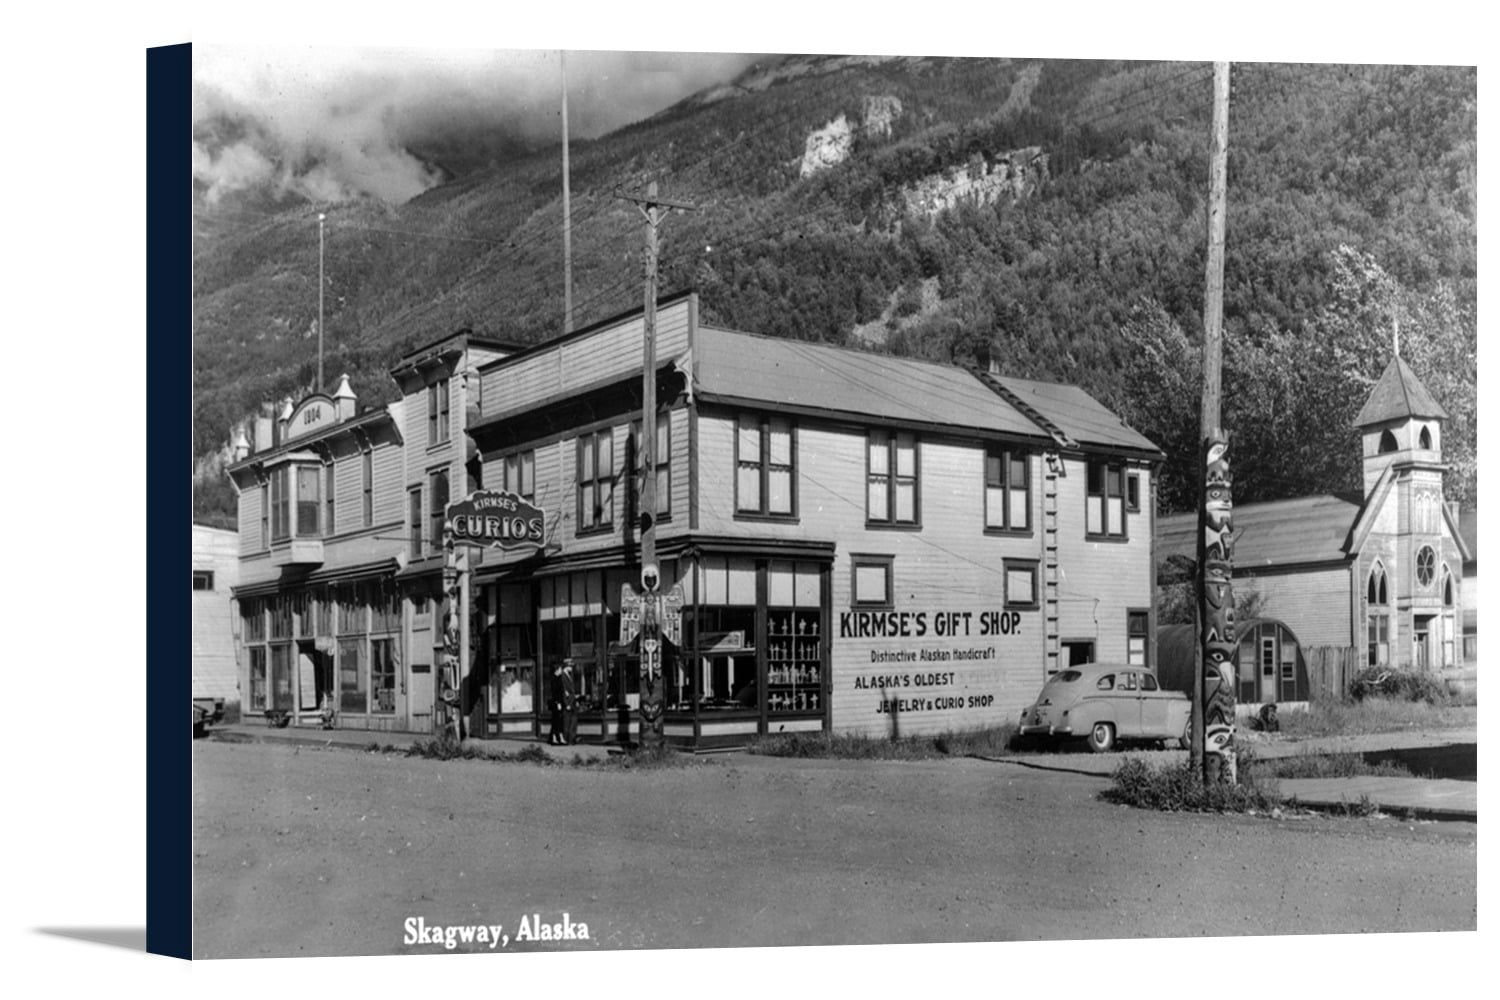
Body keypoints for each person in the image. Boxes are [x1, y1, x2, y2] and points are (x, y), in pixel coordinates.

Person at [561, 659, 579, 745]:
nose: (572, 668)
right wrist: (567, 703)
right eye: (570, 666)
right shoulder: (563, 676)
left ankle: (572, 739)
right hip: (568, 702)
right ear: (566, 666)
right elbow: (564, 691)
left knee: (573, 721)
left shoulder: (568, 675)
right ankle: (567, 739)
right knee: (567, 722)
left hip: (572, 702)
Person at [548, 662, 566, 745]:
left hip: (560, 702)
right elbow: (554, 693)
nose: (561, 670)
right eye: (560, 669)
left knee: (558, 721)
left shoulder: (559, 679)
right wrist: (557, 702)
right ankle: (555, 738)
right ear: (557, 670)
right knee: (556, 720)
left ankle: (556, 737)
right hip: (556, 703)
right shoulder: (554, 680)